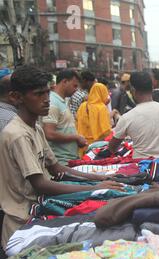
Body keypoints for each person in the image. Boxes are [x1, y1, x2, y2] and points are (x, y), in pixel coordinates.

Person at [0, 65, 123, 249]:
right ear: (17, 97)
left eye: (47, 93)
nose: (46, 100)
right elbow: (41, 184)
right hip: (22, 224)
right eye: (38, 94)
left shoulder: (35, 128)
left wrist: (99, 178)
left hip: (38, 213)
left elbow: (57, 168)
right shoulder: (18, 134)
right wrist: (95, 189)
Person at [108, 72, 159, 159]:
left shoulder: (127, 118)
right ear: (152, 88)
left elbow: (112, 148)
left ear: (133, 90)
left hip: (140, 167)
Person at [41, 69, 87, 165]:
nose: (76, 90)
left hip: (68, 160)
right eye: (74, 86)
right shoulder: (53, 102)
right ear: (64, 82)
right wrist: (76, 138)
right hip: (60, 162)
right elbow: (49, 134)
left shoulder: (62, 101)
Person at [76, 83, 112, 155]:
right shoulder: (101, 108)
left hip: (82, 143)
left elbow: (77, 121)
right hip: (96, 146)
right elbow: (106, 131)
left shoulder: (83, 105)